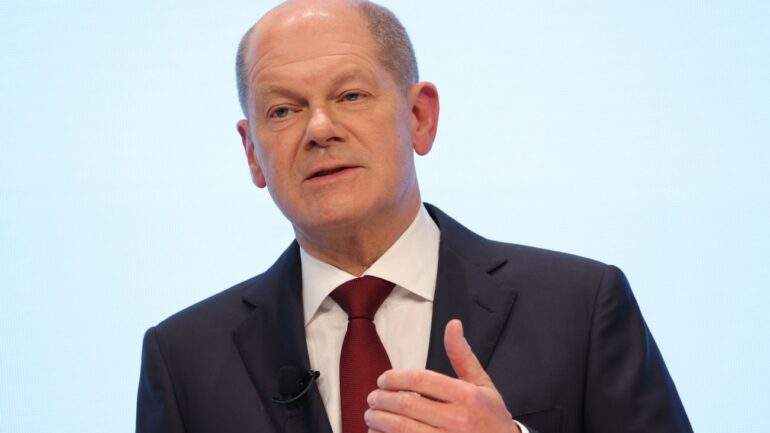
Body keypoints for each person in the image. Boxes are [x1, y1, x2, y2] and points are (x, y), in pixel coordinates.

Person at [135, 1, 693, 432]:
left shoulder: (580, 308)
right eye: (283, 110)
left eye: (351, 96)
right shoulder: (184, 360)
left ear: (420, 116)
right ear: (253, 152)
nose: (319, 129)